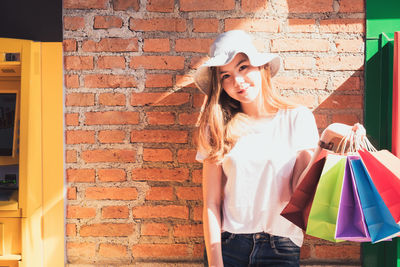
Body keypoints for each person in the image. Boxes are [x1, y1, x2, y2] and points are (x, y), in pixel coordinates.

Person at [193, 30, 362, 267]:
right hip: (229, 246)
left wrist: (326, 140)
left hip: (280, 248)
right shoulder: (218, 126)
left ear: (261, 67)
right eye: (226, 76)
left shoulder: (297, 118)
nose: (237, 82)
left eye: (243, 67)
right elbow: (211, 203)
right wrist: (215, 263)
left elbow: (298, 191)